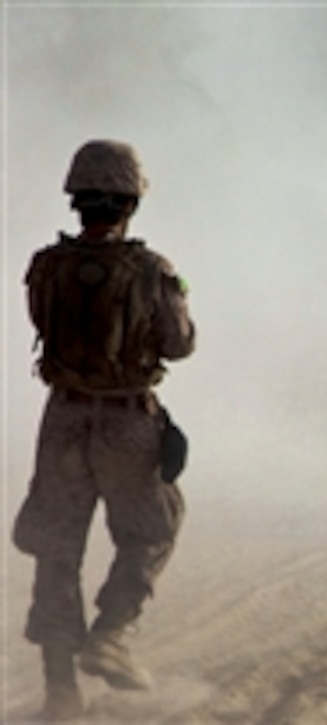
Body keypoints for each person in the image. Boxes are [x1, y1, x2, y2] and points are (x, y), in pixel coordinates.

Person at [13, 140, 196, 720]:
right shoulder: (151, 269)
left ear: (77, 199)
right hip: (125, 419)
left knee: (57, 548)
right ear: (129, 201)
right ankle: (112, 635)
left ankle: (60, 691)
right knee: (150, 532)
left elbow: (42, 324)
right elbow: (180, 344)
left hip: (63, 419)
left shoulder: (46, 266)